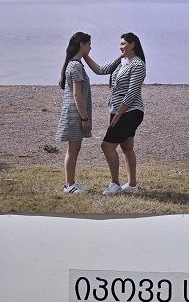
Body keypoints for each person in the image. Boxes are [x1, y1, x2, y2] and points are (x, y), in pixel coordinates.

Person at [84, 32, 146, 195]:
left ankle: (115, 184)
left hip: (130, 112)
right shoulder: (121, 61)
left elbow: (132, 92)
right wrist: (84, 55)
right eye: (120, 44)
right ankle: (132, 185)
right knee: (126, 147)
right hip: (118, 110)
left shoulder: (138, 65)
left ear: (133, 45)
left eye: (124, 44)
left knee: (106, 146)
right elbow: (100, 70)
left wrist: (119, 114)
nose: (121, 47)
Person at [55, 32, 93, 193]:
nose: (90, 47)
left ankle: (70, 184)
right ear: (81, 45)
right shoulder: (76, 66)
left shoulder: (73, 64)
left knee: (73, 149)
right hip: (74, 114)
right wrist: (85, 118)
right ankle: (70, 185)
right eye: (89, 44)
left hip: (72, 112)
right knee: (73, 150)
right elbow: (77, 95)